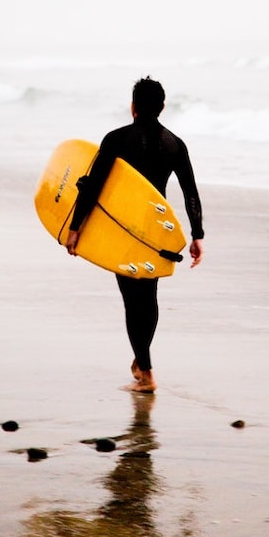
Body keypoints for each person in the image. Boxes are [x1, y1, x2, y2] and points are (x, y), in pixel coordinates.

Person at [66, 76, 204, 393]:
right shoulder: (175, 144)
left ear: (133, 107)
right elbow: (190, 193)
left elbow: (92, 184)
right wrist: (197, 235)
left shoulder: (116, 139)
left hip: (123, 230)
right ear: (163, 107)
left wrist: (75, 227)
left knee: (132, 302)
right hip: (155, 231)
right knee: (149, 299)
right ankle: (142, 362)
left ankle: (146, 372)